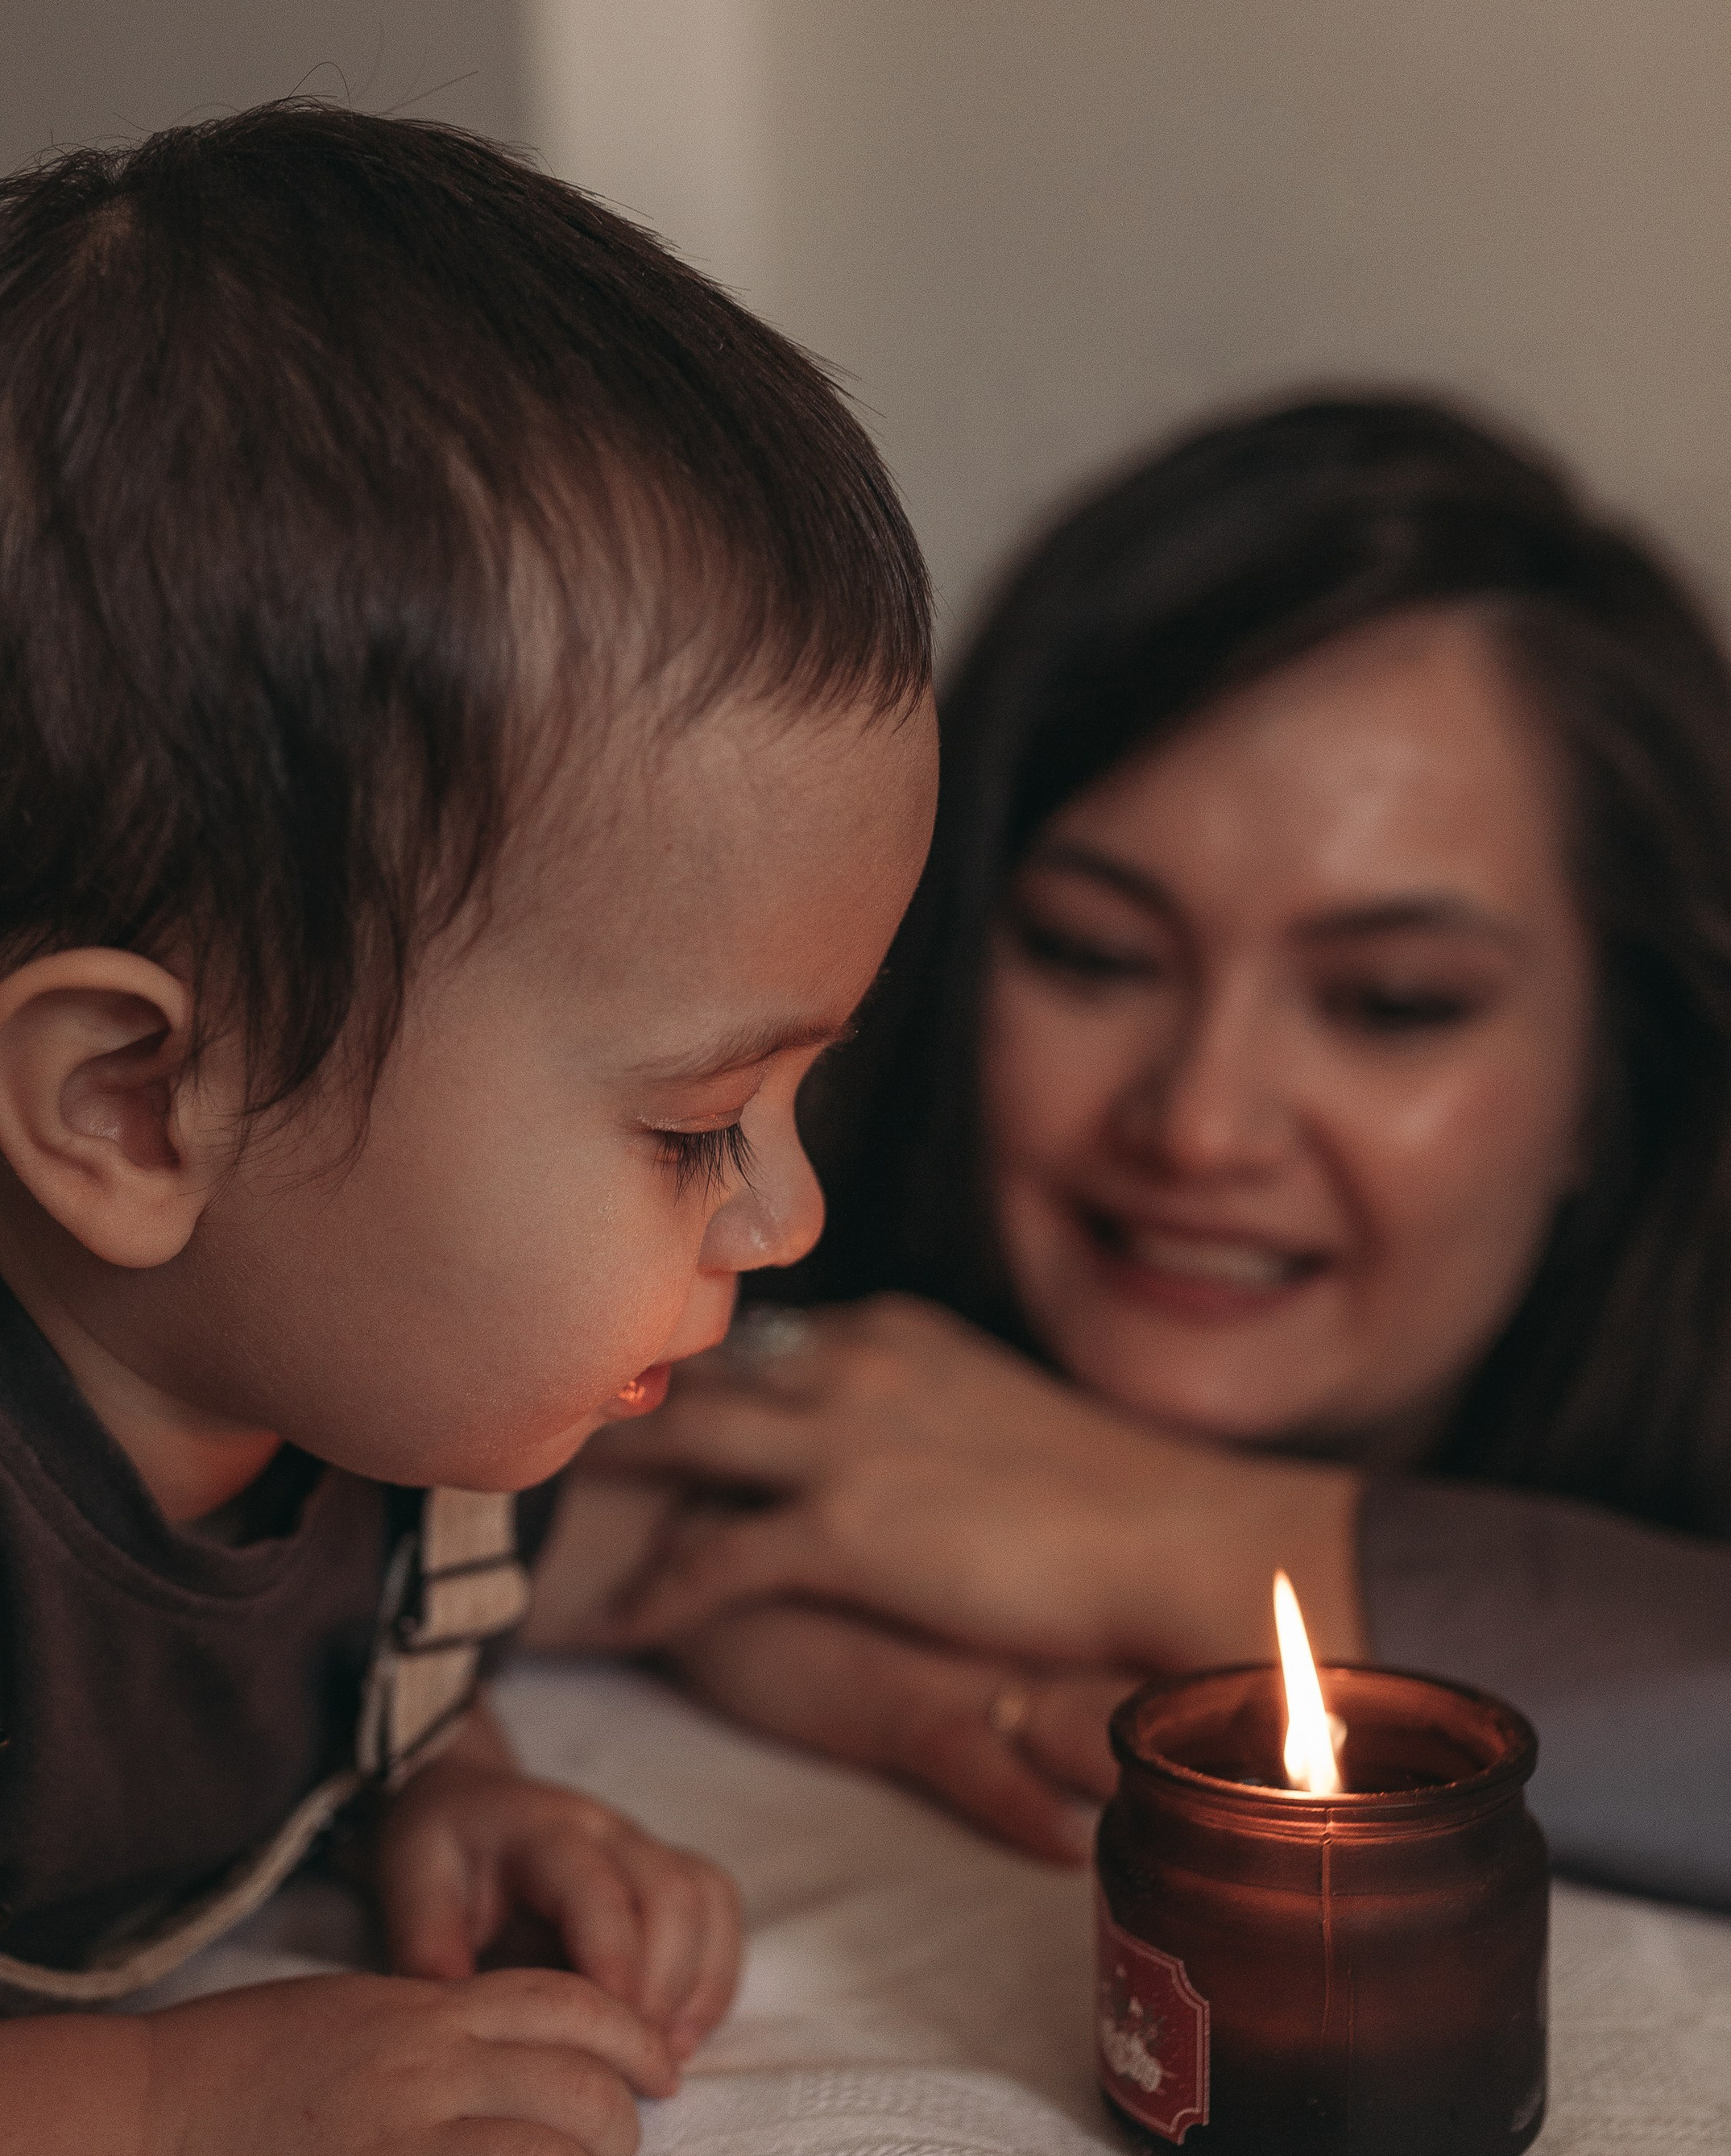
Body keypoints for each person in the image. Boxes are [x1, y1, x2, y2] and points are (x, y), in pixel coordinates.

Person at [0, 103, 938, 2156]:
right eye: (690, 1121)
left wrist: (440, 1786)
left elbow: (201, 1682)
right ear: (134, 1106)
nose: (789, 1208)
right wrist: (161, 2137)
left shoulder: (388, 1395)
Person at [543, 392, 1731, 1913]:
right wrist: (826, 1639)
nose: (1196, 1122)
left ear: (1614, 1082)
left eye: (1389, 1004)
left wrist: (1166, 1530)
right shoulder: (677, 1312)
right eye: (1095, 954)